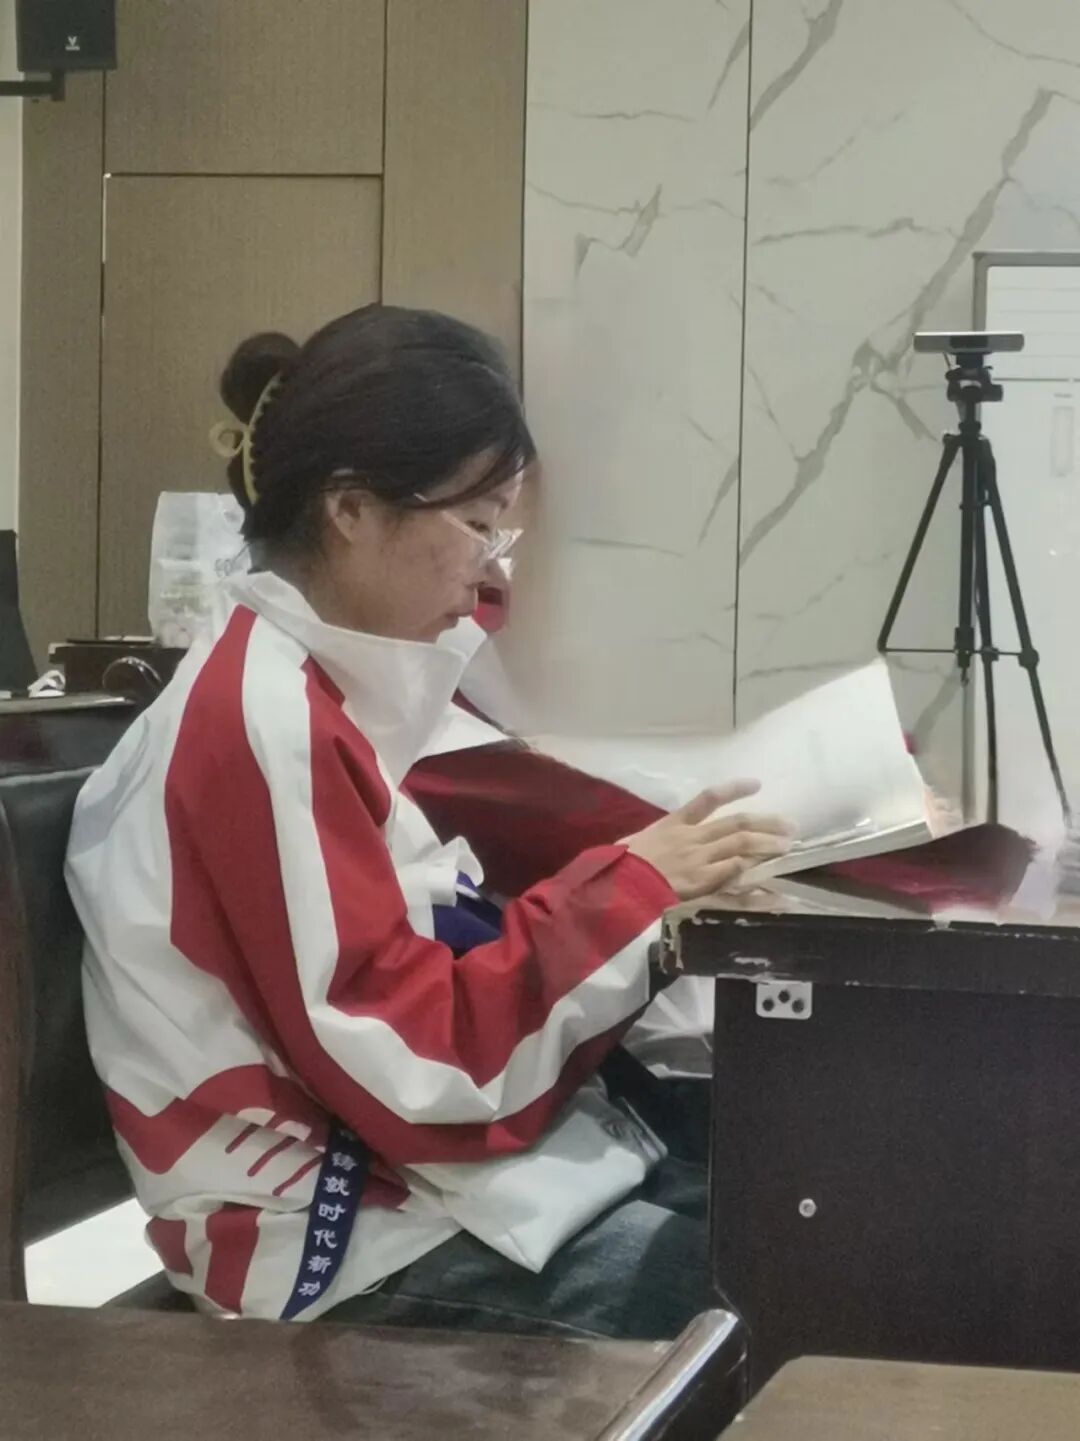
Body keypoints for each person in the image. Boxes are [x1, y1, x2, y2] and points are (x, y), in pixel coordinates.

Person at [66, 304, 790, 1337]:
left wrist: (642, 883)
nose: (494, 569)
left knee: (793, 1205)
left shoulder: (315, 682)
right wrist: (635, 890)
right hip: (339, 1237)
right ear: (351, 509)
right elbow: (418, 1064)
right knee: (784, 1295)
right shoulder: (261, 719)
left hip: (412, 1180)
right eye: (477, 522)